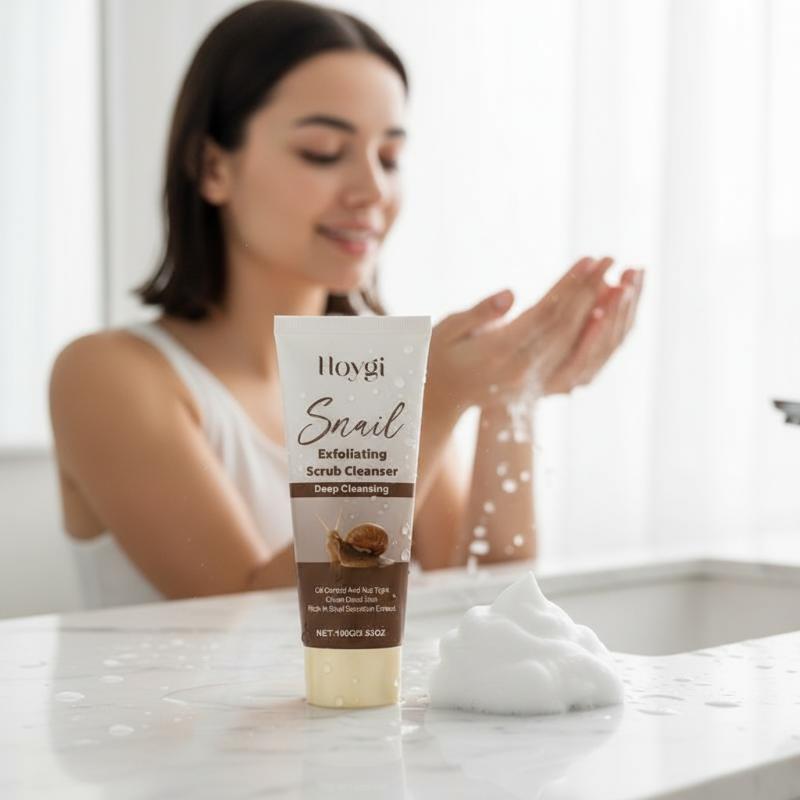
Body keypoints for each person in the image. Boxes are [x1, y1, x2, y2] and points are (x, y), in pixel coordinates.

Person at [49, 0, 643, 608]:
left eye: (389, 158)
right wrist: (429, 402)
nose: (373, 190)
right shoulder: (107, 375)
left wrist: (510, 394)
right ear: (212, 167)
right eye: (324, 151)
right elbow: (246, 622)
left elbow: (489, 609)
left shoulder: (388, 371)